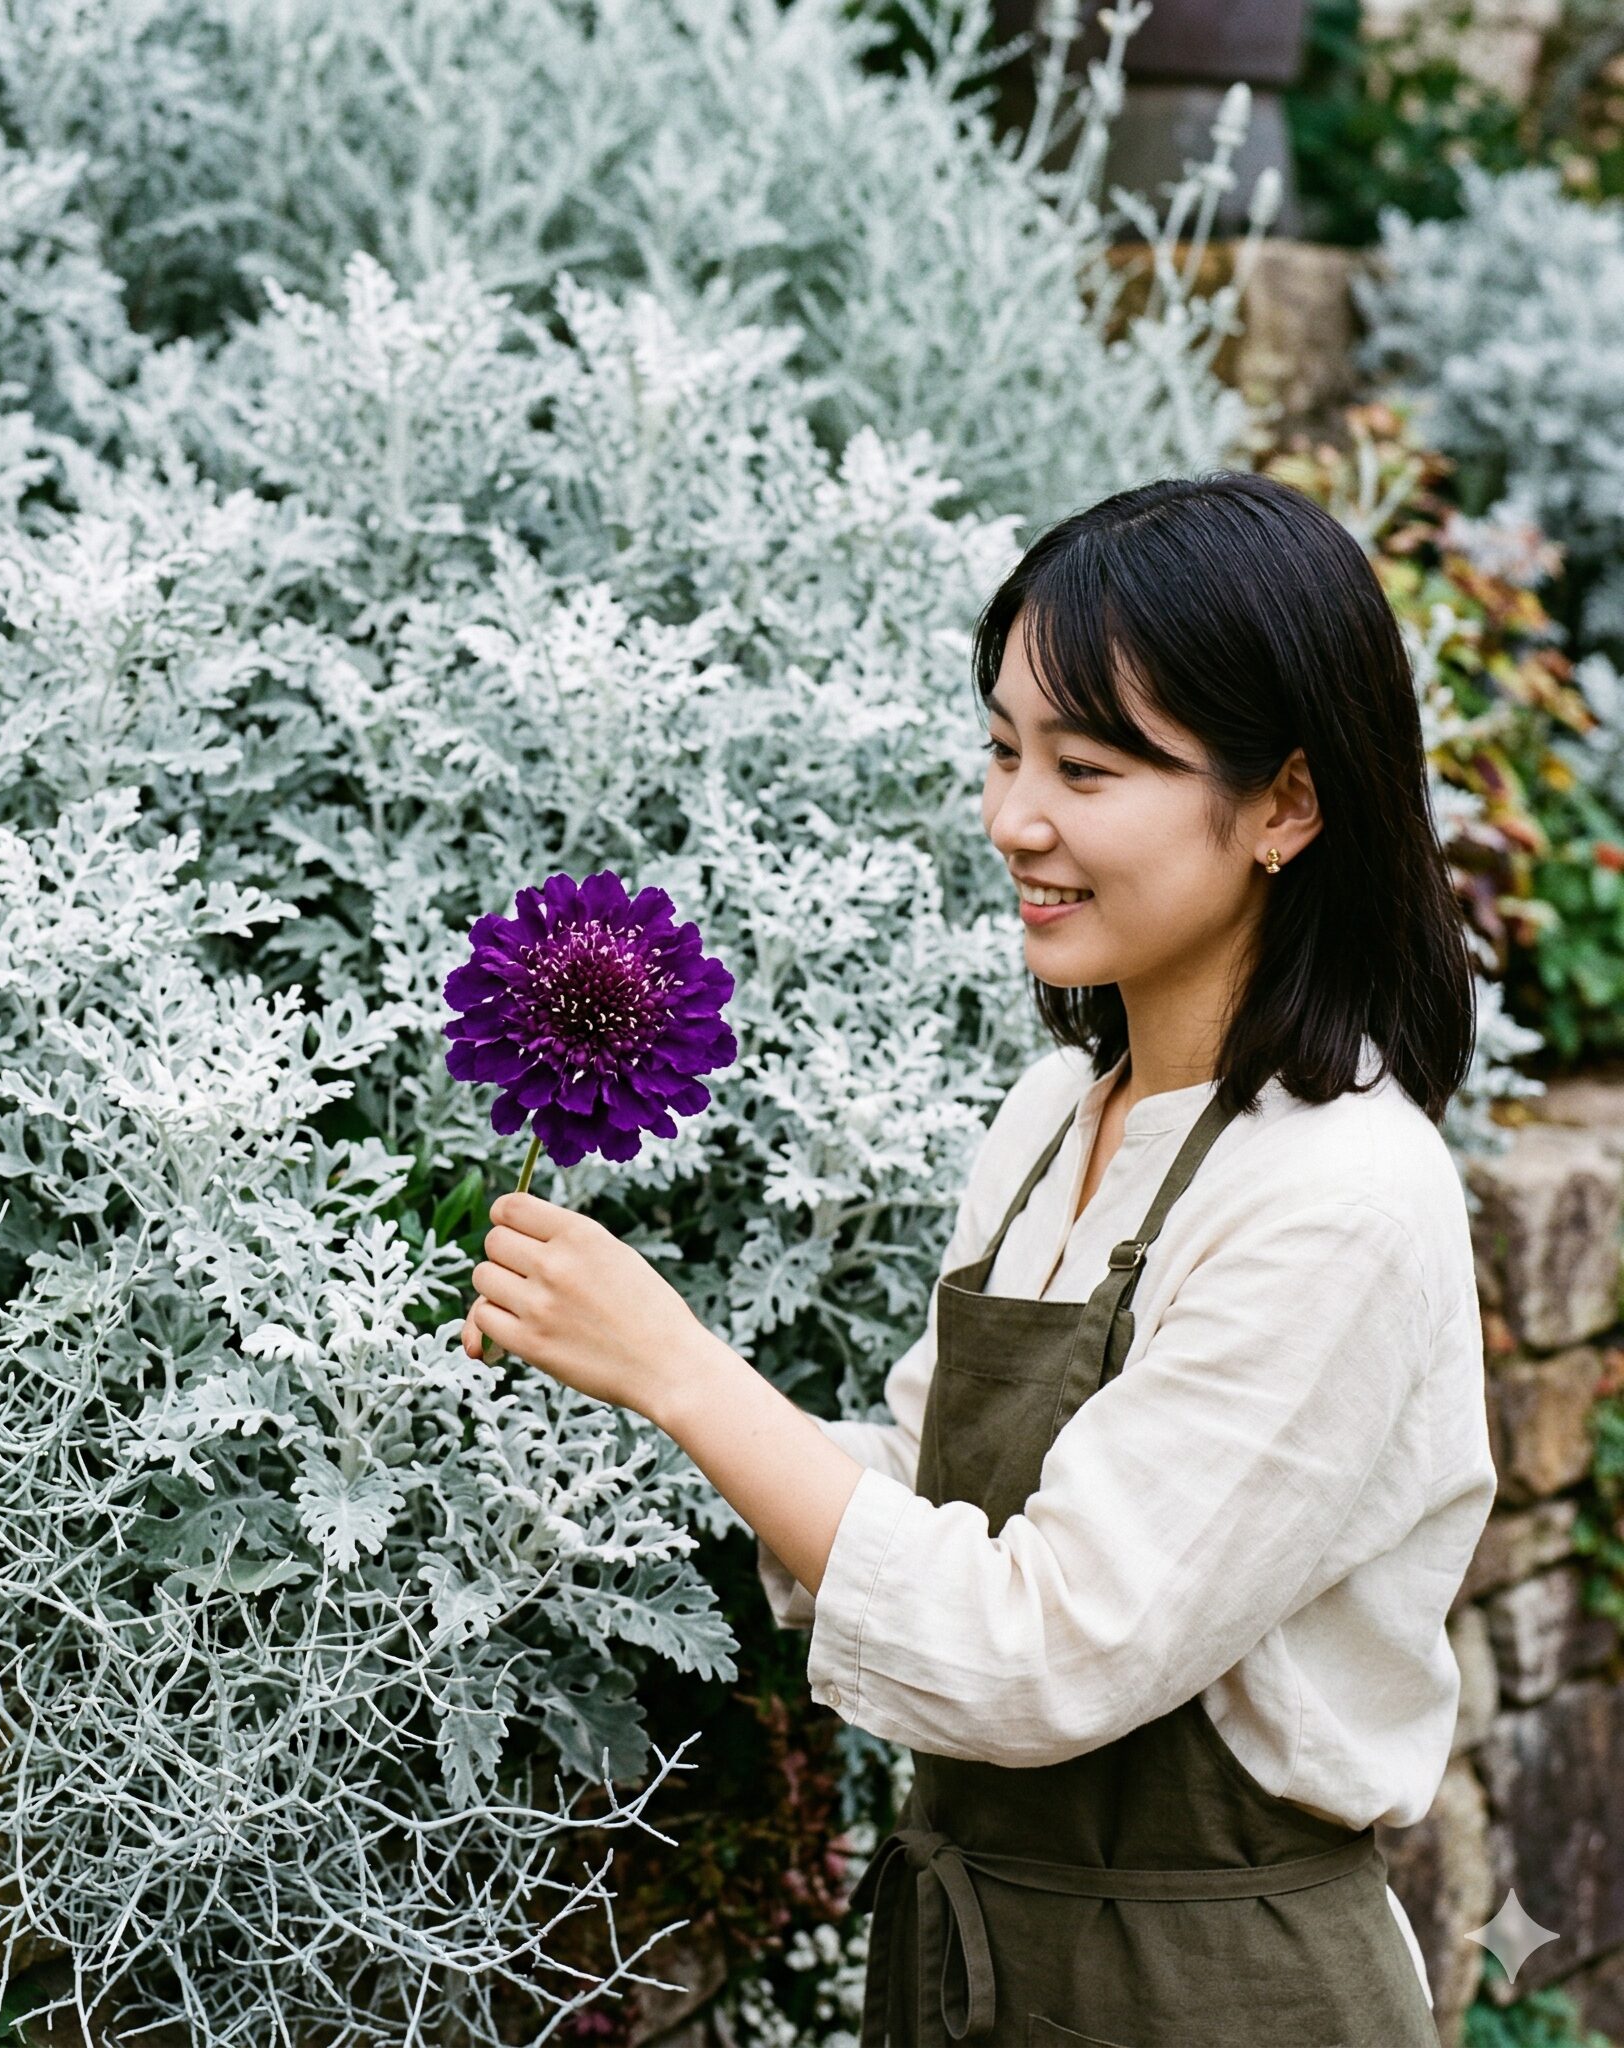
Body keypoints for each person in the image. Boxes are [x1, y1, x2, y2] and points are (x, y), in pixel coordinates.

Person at [460, 470, 1497, 2046]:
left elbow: (1038, 1647)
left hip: (1215, 1990)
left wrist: (684, 1371)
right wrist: (597, 1405)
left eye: (1086, 765)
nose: (1017, 818)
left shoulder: (1343, 1194)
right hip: (975, 1964)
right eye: (1005, 748)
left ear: (1286, 802)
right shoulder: (1052, 1115)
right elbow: (933, 1492)